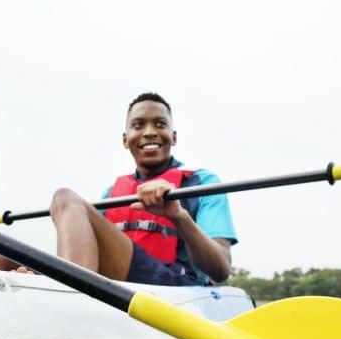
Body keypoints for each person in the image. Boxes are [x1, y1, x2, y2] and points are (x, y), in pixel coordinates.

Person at [48, 92, 236, 285]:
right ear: (125, 139)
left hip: (178, 289)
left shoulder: (202, 182)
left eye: (160, 124)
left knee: (65, 199)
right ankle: (60, 285)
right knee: (23, 263)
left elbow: (221, 269)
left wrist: (179, 216)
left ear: (174, 137)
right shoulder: (110, 195)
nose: (149, 132)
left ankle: (70, 300)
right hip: (120, 289)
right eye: (138, 125)